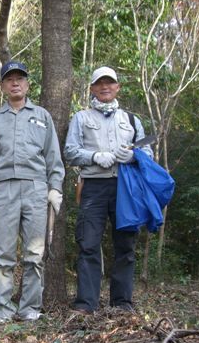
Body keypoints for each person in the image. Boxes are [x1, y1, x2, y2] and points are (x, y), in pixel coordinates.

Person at [0, 61, 65, 323]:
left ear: (27, 84)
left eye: (20, 79)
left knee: (35, 255)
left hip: (36, 189)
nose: (15, 83)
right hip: (3, 190)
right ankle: (2, 309)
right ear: (3, 86)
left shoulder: (43, 116)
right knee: (3, 254)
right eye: (10, 79)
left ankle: (30, 309)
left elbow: (53, 159)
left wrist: (54, 188)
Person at [64, 66, 153, 314]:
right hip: (93, 186)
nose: (105, 87)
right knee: (88, 243)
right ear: (92, 88)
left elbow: (148, 153)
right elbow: (70, 151)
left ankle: (122, 303)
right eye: (100, 83)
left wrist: (133, 156)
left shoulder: (131, 120)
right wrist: (94, 156)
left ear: (117, 88)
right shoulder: (81, 118)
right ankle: (86, 304)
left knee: (125, 244)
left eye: (110, 83)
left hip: (125, 188)